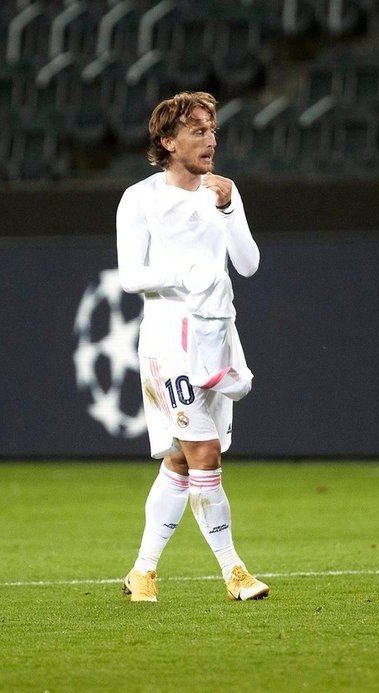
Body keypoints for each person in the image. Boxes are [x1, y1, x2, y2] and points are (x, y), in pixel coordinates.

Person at [116, 90, 269, 603]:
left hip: (217, 337)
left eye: (213, 130)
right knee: (203, 453)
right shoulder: (141, 198)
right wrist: (185, 273)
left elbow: (248, 265)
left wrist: (227, 209)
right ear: (167, 140)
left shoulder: (223, 192)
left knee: (183, 461)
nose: (210, 140)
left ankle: (142, 572)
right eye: (198, 131)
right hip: (167, 343)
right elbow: (131, 275)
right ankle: (235, 573)